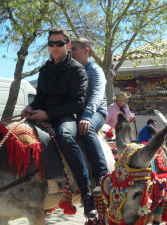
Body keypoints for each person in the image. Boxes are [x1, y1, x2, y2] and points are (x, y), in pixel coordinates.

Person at [21, 28, 97, 218]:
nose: (55, 47)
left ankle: (86, 194)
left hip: (66, 116)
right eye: (51, 43)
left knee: (65, 136)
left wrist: (47, 113)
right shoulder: (45, 70)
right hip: (42, 114)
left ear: (68, 45)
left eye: (59, 43)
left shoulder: (77, 70)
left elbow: (77, 103)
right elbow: (39, 98)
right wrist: (30, 108)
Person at [70, 38, 109, 191]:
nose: (70, 53)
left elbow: (98, 95)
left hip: (96, 112)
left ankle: (101, 175)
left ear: (86, 51)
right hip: (77, 114)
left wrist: (86, 116)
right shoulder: (74, 71)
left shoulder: (95, 70)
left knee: (87, 130)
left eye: (74, 49)